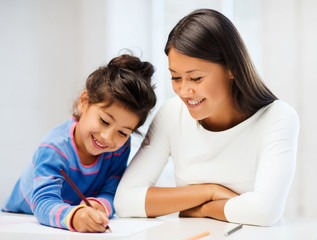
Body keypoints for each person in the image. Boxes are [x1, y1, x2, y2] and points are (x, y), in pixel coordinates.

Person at [114, 9, 299, 226]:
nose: (184, 91)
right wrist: (210, 192)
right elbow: (125, 202)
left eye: (196, 78)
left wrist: (198, 210)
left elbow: (265, 212)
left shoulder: (277, 118)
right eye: (175, 77)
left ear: (232, 68)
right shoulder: (172, 114)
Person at [1, 54, 157, 232]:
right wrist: (74, 217)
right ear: (84, 102)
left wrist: (100, 205)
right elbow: (43, 202)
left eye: (122, 132)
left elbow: (111, 191)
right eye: (104, 121)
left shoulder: (119, 149)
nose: (108, 137)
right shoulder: (54, 148)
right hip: (18, 221)